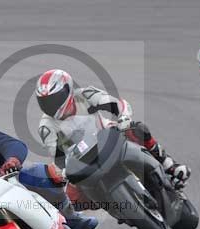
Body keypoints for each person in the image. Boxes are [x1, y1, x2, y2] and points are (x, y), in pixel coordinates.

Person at [34, 69, 190, 193]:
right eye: (45, 102)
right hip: (84, 160)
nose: (50, 105)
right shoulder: (46, 126)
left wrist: (123, 118)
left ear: (67, 91)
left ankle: (170, 166)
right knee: (70, 195)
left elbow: (117, 104)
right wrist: (63, 172)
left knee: (136, 129)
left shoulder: (85, 95)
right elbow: (57, 157)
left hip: (109, 136)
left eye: (53, 99)